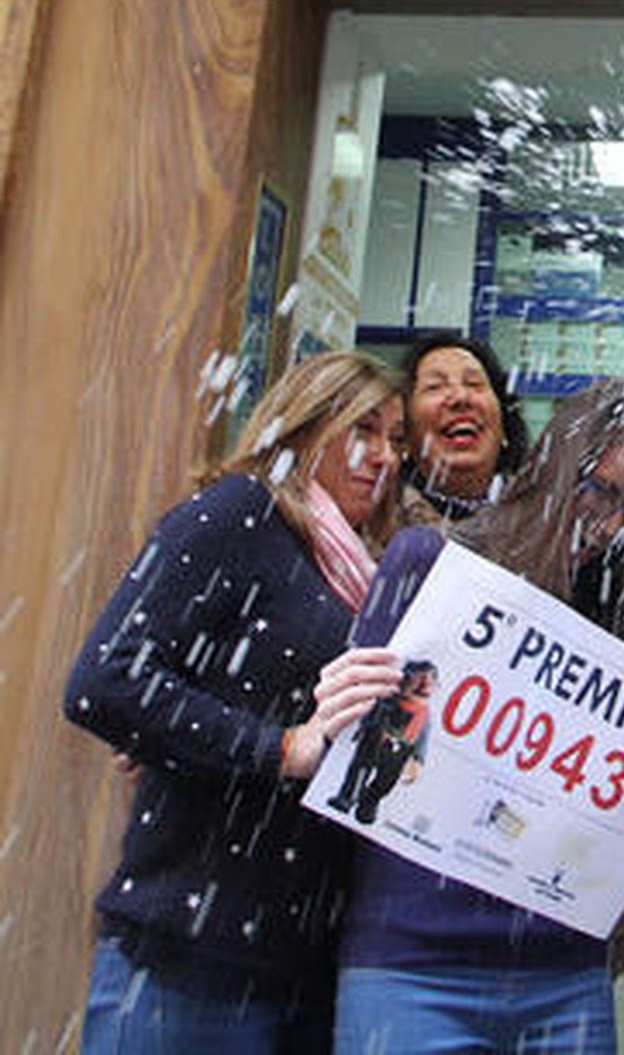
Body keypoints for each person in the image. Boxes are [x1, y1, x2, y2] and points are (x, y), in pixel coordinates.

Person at [332, 377, 624, 1055]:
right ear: (559, 468)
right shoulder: (433, 564)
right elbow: (349, 755)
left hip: (565, 975)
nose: (612, 525)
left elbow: (615, 815)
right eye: (598, 489)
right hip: (411, 963)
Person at [63, 350, 413, 1053]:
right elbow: (107, 678)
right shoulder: (243, 512)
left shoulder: (370, 574)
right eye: (363, 429)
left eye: (397, 439)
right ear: (305, 428)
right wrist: (280, 747)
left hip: (306, 970)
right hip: (188, 959)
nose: (384, 456)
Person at [399, 331, 531, 525]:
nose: (460, 397)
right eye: (435, 386)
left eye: (474, 384)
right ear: (405, 435)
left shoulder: (547, 519)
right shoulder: (377, 523)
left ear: (504, 427)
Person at [326, 658, 439, 824]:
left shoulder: (425, 715)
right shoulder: (387, 699)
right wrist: (363, 728)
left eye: (427, 683)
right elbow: (372, 714)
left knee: (385, 782)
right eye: (416, 681)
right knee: (359, 769)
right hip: (375, 739)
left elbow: (423, 739)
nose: (422, 687)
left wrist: (417, 760)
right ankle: (348, 797)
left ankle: (369, 803)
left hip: (400, 749)